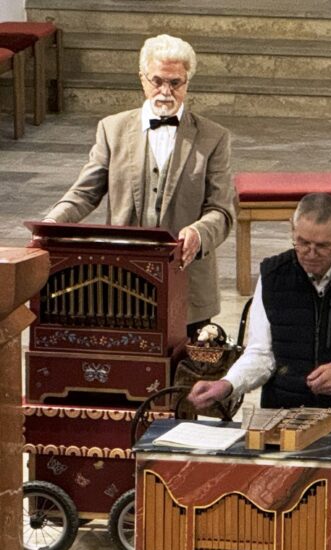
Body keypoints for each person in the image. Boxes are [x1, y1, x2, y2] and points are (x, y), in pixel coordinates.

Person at [187, 192, 331, 547]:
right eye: (302, 243)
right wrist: (227, 384)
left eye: (322, 246)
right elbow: (262, 355)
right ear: (292, 233)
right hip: (283, 431)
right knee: (283, 542)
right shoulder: (273, 274)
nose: (310, 253)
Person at [45, 33, 234, 331]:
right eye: (157, 81)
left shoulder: (214, 137)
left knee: (185, 361)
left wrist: (199, 233)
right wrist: (50, 224)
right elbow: (84, 193)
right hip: (122, 281)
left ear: (188, 82)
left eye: (175, 83)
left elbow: (222, 210)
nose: (165, 91)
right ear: (142, 79)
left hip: (187, 285)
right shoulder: (112, 129)